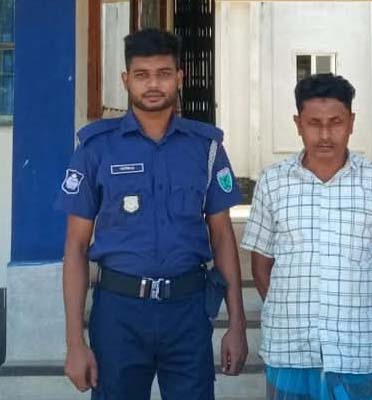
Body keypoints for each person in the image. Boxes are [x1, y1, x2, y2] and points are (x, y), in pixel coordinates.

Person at [57, 29, 248, 400]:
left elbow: (223, 238)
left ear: (180, 77)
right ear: (126, 80)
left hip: (188, 311)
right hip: (119, 313)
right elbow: (76, 246)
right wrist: (74, 342)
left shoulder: (205, 147)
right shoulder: (96, 147)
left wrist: (237, 324)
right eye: (142, 75)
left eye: (164, 73)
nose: (153, 84)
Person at [241, 73, 372, 400]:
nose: (325, 135)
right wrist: (291, 314)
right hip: (289, 349)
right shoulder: (273, 182)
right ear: (298, 124)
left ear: (351, 122)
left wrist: (366, 320)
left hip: (356, 350)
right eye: (314, 123)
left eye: (336, 122)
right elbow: (261, 266)